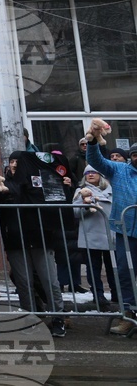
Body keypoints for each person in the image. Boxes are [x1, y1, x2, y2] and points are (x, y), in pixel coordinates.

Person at [0, 151, 69, 338]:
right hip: (15, 239)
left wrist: (67, 187)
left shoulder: (38, 181)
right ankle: (29, 318)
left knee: (49, 280)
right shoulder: (2, 183)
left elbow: (57, 196)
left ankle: (58, 317)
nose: (14, 165)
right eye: (11, 161)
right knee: (24, 282)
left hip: (40, 237)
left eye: (18, 161)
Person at [83, 119, 137, 335]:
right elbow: (97, 161)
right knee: (125, 273)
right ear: (131, 156)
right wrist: (94, 143)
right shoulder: (120, 169)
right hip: (126, 231)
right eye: (134, 155)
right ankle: (128, 317)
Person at [74, 165, 115, 310]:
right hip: (90, 235)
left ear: (101, 175)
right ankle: (98, 295)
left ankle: (116, 294)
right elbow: (75, 212)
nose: (90, 175)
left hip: (111, 235)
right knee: (93, 268)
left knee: (113, 268)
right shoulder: (80, 192)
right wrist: (86, 207)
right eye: (87, 173)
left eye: (93, 172)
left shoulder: (112, 190)